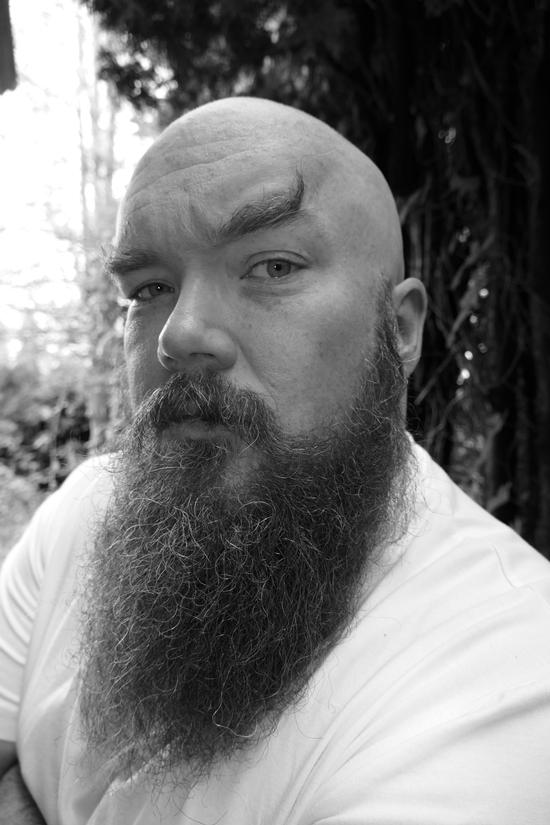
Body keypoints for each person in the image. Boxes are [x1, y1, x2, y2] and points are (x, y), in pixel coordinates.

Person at [1, 96, 550, 825]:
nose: (180, 334)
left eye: (272, 266)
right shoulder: (81, 514)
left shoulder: (506, 673)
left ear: (400, 328)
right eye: (149, 289)